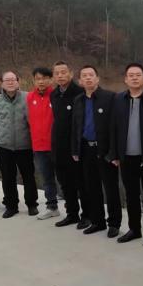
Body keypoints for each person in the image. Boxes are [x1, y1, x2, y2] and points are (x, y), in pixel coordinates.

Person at [110, 63, 143, 246]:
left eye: (138, 74)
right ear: (125, 79)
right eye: (130, 75)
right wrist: (114, 154)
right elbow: (113, 127)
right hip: (126, 157)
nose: (134, 78)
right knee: (131, 195)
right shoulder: (118, 99)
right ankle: (134, 229)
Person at [71, 66, 121, 237]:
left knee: (111, 188)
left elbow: (115, 127)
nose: (88, 78)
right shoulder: (78, 100)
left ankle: (114, 223)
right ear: (80, 81)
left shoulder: (110, 97)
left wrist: (114, 152)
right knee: (91, 187)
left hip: (105, 150)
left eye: (91, 75)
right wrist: (75, 149)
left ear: (97, 78)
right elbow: (75, 126)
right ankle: (98, 221)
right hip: (86, 149)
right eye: (84, 76)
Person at [0, 71, 38, 219]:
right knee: (8, 178)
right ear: (1, 83)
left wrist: (36, 144)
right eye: (7, 80)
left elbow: (35, 123)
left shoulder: (28, 97)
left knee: (28, 176)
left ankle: (32, 204)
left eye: (13, 80)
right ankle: (11, 206)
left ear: (18, 81)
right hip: (4, 146)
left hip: (25, 146)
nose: (10, 82)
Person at [49, 61, 86, 228]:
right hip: (59, 146)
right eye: (57, 73)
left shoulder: (80, 92)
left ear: (71, 73)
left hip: (76, 146)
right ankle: (72, 214)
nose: (60, 76)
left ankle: (87, 215)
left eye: (63, 72)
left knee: (81, 183)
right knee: (65, 183)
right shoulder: (54, 94)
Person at [27, 66, 61, 220]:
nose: (41, 82)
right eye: (38, 79)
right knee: (47, 179)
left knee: (64, 178)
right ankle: (52, 207)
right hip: (39, 146)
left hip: (55, 145)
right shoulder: (30, 97)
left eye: (44, 78)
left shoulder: (56, 96)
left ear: (51, 79)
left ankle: (73, 208)